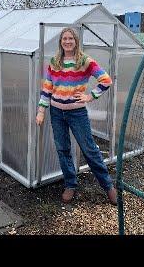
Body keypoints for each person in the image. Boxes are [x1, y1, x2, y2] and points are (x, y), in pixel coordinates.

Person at [36, 27, 118, 205]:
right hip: (56, 112)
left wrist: (90, 96)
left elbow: (106, 80)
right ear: (61, 42)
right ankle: (70, 184)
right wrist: (41, 110)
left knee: (89, 149)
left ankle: (108, 186)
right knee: (62, 149)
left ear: (76, 41)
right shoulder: (54, 61)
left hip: (77, 113)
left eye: (70, 38)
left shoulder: (85, 61)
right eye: (64, 39)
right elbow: (47, 88)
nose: (67, 41)